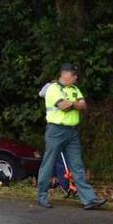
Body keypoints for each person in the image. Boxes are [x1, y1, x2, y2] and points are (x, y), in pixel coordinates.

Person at [36, 63, 106, 209]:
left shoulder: (74, 89)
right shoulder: (53, 88)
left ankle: (88, 200)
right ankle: (42, 196)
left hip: (72, 132)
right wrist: (75, 104)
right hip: (56, 130)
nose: (76, 77)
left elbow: (83, 105)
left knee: (77, 165)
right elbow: (63, 107)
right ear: (65, 74)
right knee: (48, 164)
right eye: (74, 75)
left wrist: (72, 103)